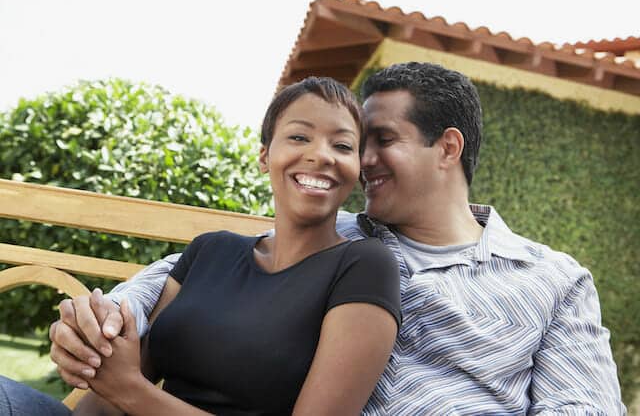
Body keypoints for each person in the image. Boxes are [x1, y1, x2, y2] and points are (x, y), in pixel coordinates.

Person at [48, 62, 625, 414]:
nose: (357, 162)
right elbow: (170, 280)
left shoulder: (553, 279)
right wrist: (96, 322)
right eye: (357, 143)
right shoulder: (333, 238)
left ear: (447, 148)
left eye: (378, 140)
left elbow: (580, 408)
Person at [0, 77, 401, 415]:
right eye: (299, 136)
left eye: (342, 146)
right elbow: (111, 389)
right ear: (265, 155)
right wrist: (91, 349)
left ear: (357, 170)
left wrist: (129, 389)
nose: (320, 155)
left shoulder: (364, 265)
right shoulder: (210, 251)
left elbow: (126, 387)